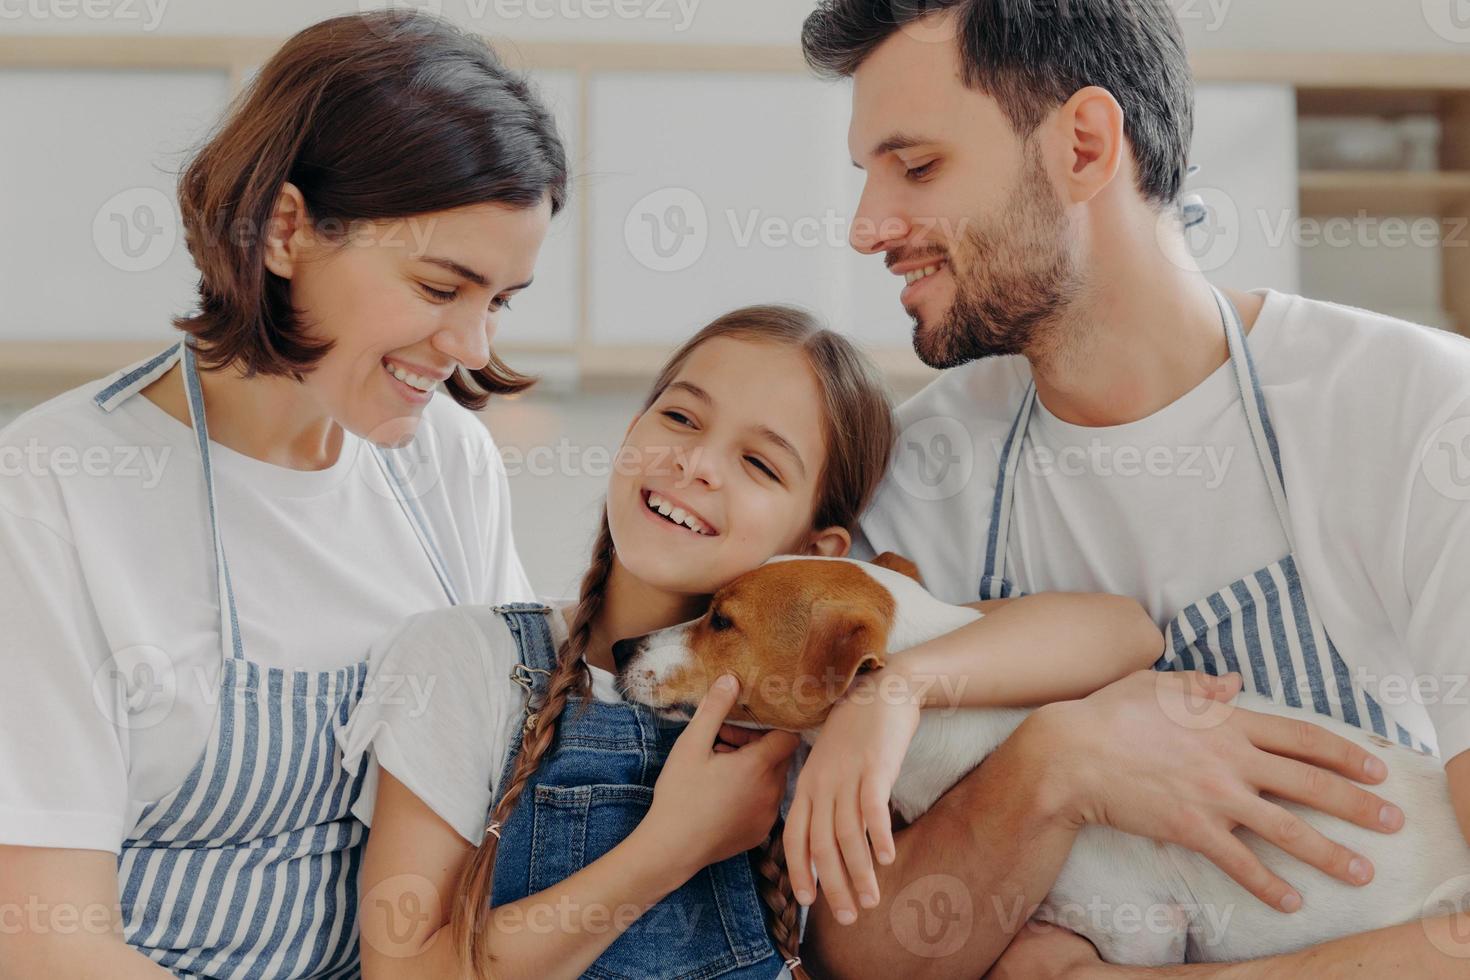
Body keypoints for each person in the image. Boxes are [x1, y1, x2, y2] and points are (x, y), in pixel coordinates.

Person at [786, 0, 1470, 975]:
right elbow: (862, 952)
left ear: (1085, 144)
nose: (867, 227)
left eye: (919, 165)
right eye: (867, 174)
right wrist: (1057, 763)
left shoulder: (1425, 416)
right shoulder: (918, 473)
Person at [342, 304, 1165, 978]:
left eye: (760, 464)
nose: (698, 462)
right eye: (679, 415)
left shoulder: (818, 681)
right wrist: (672, 848)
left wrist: (890, 692)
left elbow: (1123, 632)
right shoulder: (465, 661)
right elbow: (405, 972)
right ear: (633, 429)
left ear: (820, 554)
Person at [0, 11, 566, 977]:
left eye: (499, 302)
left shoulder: (450, 466)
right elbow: (47, 942)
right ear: (285, 229)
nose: (474, 349)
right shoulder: (56, 485)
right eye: (440, 288)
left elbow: (507, 808)